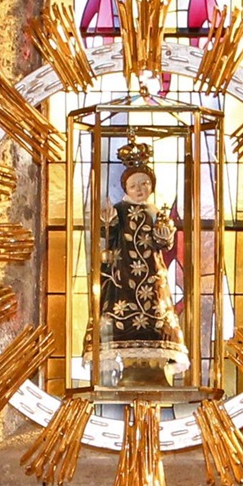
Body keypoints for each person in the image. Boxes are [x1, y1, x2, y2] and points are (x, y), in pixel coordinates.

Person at [97, 139, 183, 374]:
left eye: (145, 183)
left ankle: (156, 358)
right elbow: (109, 235)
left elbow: (162, 243)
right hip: (122, 273)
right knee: (120, 310)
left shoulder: (156, 212)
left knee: (155, 309)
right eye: (134, 184)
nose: (140, 189)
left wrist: (165, 235)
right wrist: (108, 221)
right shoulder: (120, 210)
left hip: (151, 274)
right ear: (126, 187)